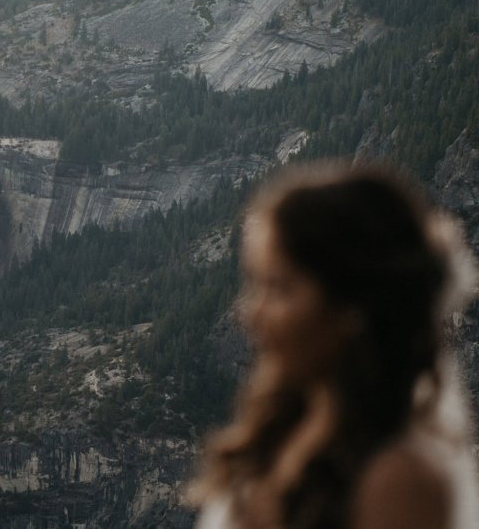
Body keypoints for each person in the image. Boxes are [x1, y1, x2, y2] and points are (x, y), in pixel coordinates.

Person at [191, 162, 479, 529]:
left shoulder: (398, 483)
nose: (250, 313)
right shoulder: (282, 425)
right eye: (254, 284)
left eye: (278, 288)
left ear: (352, 306)